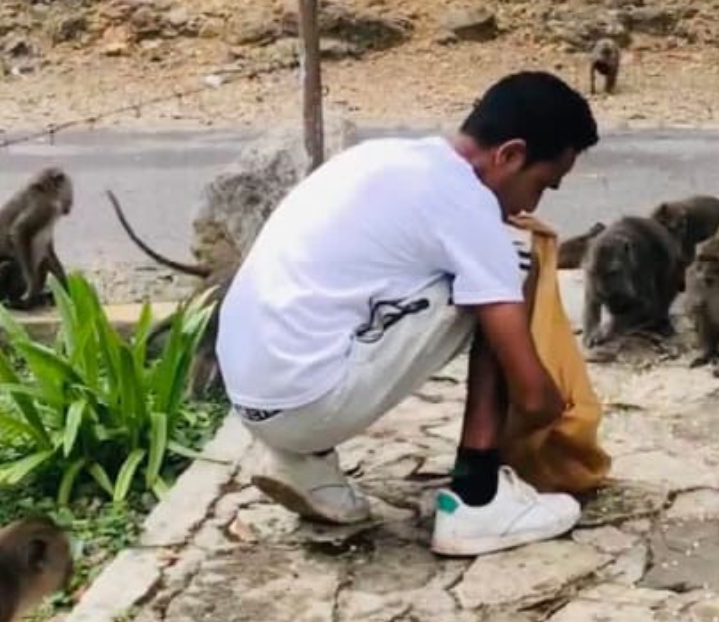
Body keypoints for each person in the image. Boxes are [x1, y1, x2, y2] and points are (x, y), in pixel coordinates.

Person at [215, 71, 600, 557]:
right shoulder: (466, 203)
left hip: (252, 398)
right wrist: (558, 409)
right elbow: (531, 396)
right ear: (510, 155)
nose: (533, 203)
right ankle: (477, 497)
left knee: (435, 277)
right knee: (512, 259)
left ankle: (304, 463)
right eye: (542, 185)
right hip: (307, 402)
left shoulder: (383, 157)